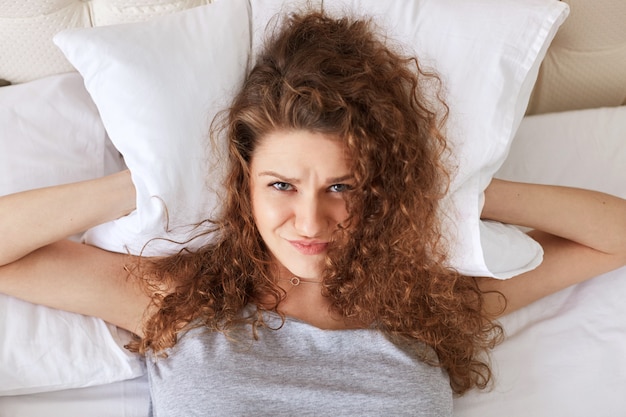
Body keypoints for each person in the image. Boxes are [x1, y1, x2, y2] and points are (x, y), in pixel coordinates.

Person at [1, 10, 626, 416]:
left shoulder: (426, 304)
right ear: (241, 185)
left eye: (342, 187)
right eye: (280, 185)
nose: (310, 222)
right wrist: (144, 190)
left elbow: (614, 236)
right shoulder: (182, 296)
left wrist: (457, 197)